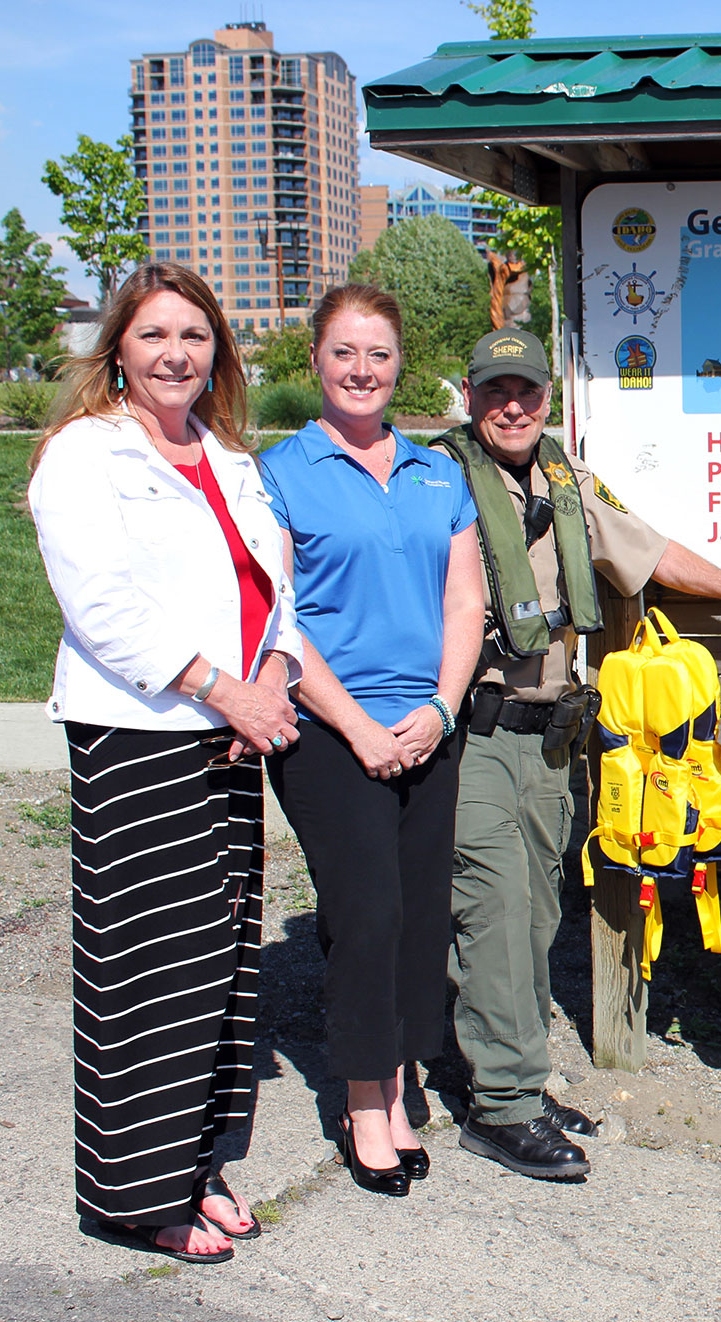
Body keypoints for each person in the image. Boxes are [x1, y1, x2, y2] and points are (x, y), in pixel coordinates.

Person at [430, 328, 721, 1180]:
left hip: (550, 739)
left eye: (527, 390)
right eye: (496, 389)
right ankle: (499, 1106)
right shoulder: (436, 478)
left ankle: (518, 1082)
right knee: (493, 914)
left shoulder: (564, 481)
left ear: (548, 397)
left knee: (534, 920)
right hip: (475, 733)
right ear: (471, 392)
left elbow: (651, 553)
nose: (513, 405)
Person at [31, 262, 301, 1262]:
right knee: (144, 966)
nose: (177, 353)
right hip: (139, 735)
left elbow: (277, 583)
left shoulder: (224, 454)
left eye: (194, 336)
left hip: (227, 734)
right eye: (155, 335)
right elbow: (99, 605)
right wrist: (218, 685)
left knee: (218, 968)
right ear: (118, 349)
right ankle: (132, 1194)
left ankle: (194, 1163)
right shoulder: (82, 456)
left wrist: (272, 671)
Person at [259, 285, 486, 1198]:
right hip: (325, 727)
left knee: (423, 913)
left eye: (380, 355)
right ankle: (364, 1097)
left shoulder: (440, 472)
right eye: (345, 352)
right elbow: (276, 616)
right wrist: (355, 725)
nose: (362, 371)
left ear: (400, 365)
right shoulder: (278, 471)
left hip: (428, 722)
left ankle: (401, 1077)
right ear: (315, 359)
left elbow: (463, 600)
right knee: (368, 913)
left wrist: (440, 706)